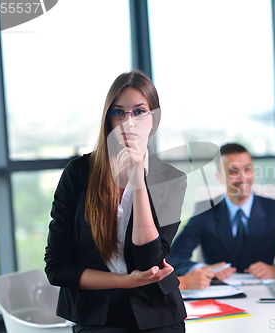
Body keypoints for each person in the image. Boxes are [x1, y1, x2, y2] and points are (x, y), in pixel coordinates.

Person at [44, 71, 187, 332]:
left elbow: (149, 262)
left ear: (153, 119)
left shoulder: (171, 179)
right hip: (96, 314)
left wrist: (138, 180)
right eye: (118, 112)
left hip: (157, 312)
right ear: (108, 119)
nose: (128, 123)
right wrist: (126, 281)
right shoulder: (78, 174)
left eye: (139, 111)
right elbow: (57, 269)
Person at [168, 143, 275, 283]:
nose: (242, 177)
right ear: (219, 177)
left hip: (263, 291)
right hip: (219, 291)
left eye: (247, 169)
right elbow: (174, 258)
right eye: (233, 171)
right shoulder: (204, 211)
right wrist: (204, 269)